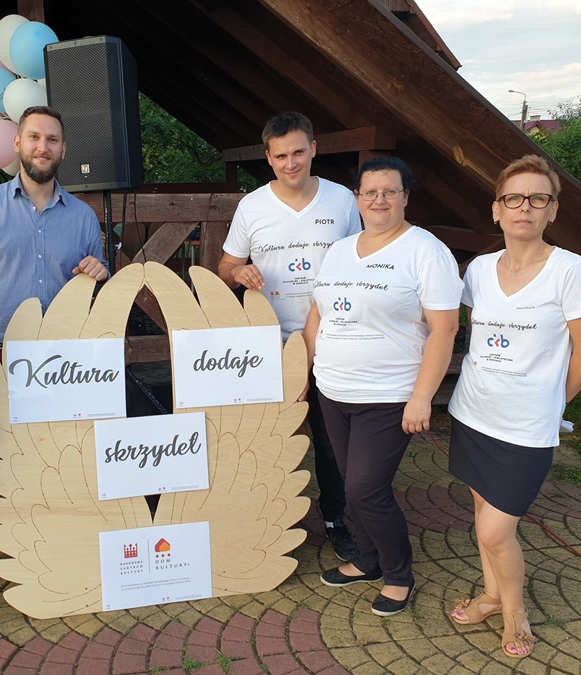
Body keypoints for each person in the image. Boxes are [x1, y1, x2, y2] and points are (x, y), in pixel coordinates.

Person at [0, 105, 108, 589]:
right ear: (17, 143)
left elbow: (96, 290)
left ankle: (56, 543)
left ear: (63, 150)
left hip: (62, 362)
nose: (43, 147)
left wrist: (101, 273)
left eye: (52, 140)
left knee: (61, 456)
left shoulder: (83, 216)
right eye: (34, 137)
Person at [446, 155, 581, 658]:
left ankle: (516, 613)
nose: (524, 207)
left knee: (497, 530)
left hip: (526, 428)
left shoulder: (569, 271)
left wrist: (552, 402)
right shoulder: (479, 271)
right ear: (497, 209)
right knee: (482, 514)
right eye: (513, 198)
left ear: (552, 210)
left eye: (538, 198)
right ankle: (492, 596)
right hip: (473, 414)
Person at [304, 156, 462, 616]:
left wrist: (422, 398)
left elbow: (445, 330)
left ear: (405, 197)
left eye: (390, 191)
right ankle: (367, 560)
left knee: (366, 490)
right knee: (349, 484)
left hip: (389, 395)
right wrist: (303, 373)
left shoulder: (426, 252)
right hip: (333, 390)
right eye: (370, 192)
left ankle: (398, 575)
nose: (379, 200)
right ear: (357, 198)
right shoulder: (340, 249)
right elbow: (317, 314)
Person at [218, 112, 362, 561]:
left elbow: (361, 260)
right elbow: (225, 266)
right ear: (268, 157)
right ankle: (268, 517)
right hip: (270, 345)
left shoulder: (342, 200)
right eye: (281, 156)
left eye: (299, 152)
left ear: (313, 149)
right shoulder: (252, 206)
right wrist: (238, 272)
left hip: (333, 340)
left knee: (331, 440)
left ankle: (338, 519)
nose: (291, 163)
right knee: (267, 436)